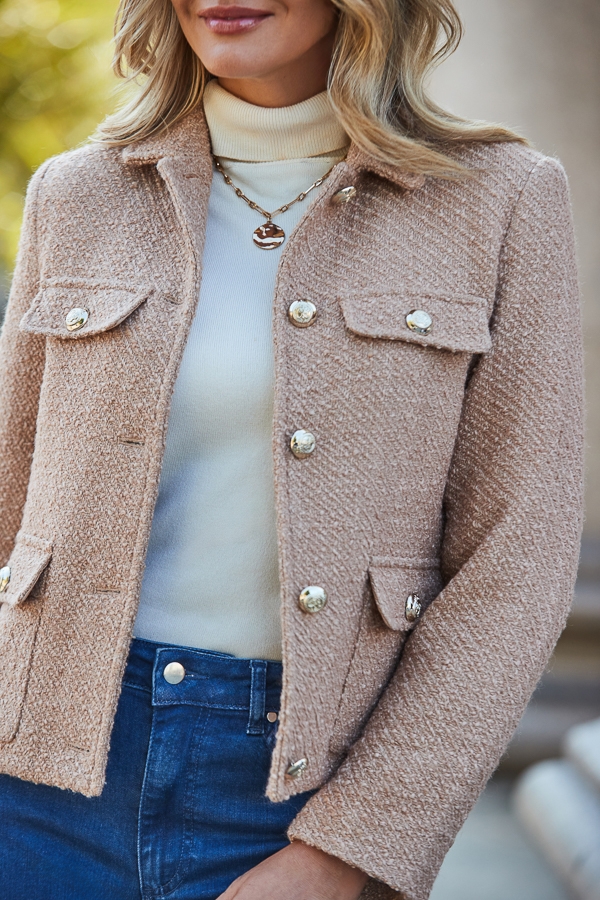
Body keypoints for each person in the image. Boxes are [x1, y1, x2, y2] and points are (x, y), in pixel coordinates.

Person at [0, 0, 584, 898]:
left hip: (297, 790)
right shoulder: (77, 194)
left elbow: (520, 554)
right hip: (36, 777)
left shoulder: (499, 197)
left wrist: (347, 848)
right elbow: (9, 493)